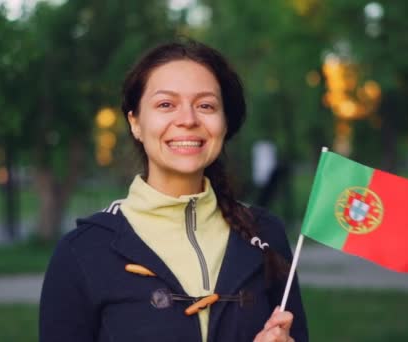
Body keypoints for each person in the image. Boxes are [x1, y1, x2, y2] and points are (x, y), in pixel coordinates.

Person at [39, 39, 308, 342]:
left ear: (224, 122)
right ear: (135, 122)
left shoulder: (266, 234)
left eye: (206, 105)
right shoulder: (82, 251)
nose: (188, 120)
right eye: (166, 104)